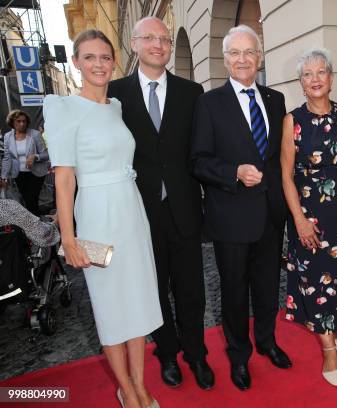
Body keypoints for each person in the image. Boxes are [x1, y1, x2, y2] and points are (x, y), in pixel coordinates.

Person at [44, 29, 162, 408]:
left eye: (105, 57)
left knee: (139, 303)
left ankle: (141, 385)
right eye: (90, 57)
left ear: (114, 62)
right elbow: (64, 180)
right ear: (76, 62)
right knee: (111, 307)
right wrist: (69, 238)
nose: (99, 64)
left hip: (131, 212)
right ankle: (126, 390)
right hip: (95, 216)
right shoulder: (62, 109)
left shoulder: (115, 107)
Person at [107, 17, 213, 391]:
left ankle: (197, 354)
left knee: (192, 290)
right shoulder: (114, 93)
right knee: (153, 289)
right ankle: (167, 354)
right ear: (134, 44)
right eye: (149, 38)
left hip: (184, 208)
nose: (158, 44)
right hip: (138, 211)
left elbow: (200, 150)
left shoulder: (192, 91)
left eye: (164, 39)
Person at [190, 24, 291, 391]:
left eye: (250, 52)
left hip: (270, 214)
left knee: (267, 287)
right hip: (230, 216)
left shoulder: (276, 99)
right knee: (233, 293)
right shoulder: (209, 102)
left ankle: (267, 341)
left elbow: (283, 158)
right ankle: (239, 356)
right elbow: (198, 161)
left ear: (259, 57)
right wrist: (233, 172)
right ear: (225, 58)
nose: (243, 59)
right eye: (236, 53)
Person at [280, 49, 337, 386]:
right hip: (312, 216)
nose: (315, 79)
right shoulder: (292, 120)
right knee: (316, 283)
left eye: (321, 72)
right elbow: (285, 175)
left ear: (331, 78)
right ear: (301, 83)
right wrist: (299, 219)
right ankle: (328, 349)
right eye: (308, 74)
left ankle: (333, 325)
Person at [1, 110, 49, 215]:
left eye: (24, 121)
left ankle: (35, 225)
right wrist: (4, 177)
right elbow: (7, 157)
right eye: (18, 121)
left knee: (31, 199)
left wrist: (35, 156)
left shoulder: (35, 134)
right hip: (19, 174)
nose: (22, 124)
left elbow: (46, 154)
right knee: (27, 200)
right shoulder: (8, 137)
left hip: (36, 173)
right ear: (12, 123)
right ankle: (36, 222)